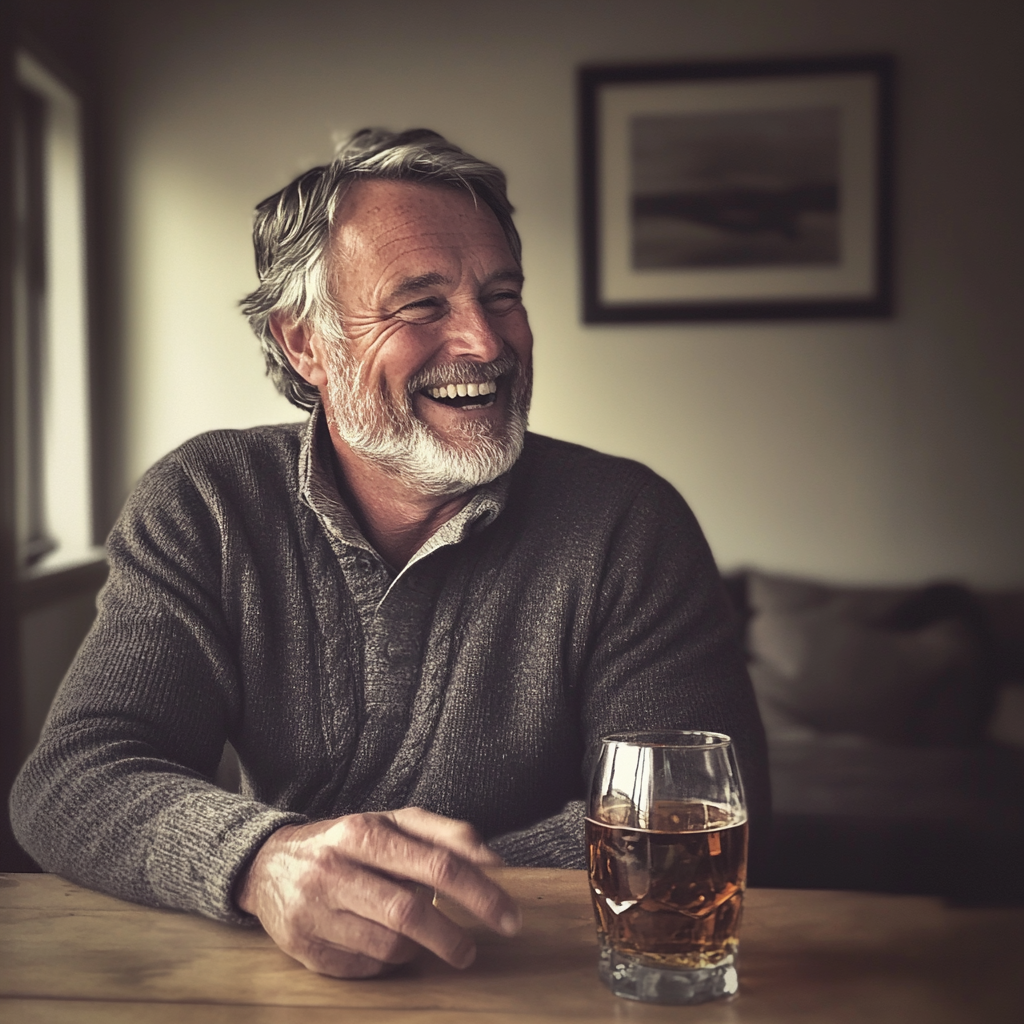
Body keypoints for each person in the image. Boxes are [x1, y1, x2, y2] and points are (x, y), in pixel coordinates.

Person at [10, 128, 769, 979]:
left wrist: (396, 896)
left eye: (504, 295)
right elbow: (72, 779)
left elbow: (686, 811)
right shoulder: (206, 501)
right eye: (421, 304)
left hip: (547, 983)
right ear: (304, 342)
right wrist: (265, 863)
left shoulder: (629, 522)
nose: (485, 344)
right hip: (280, 984)